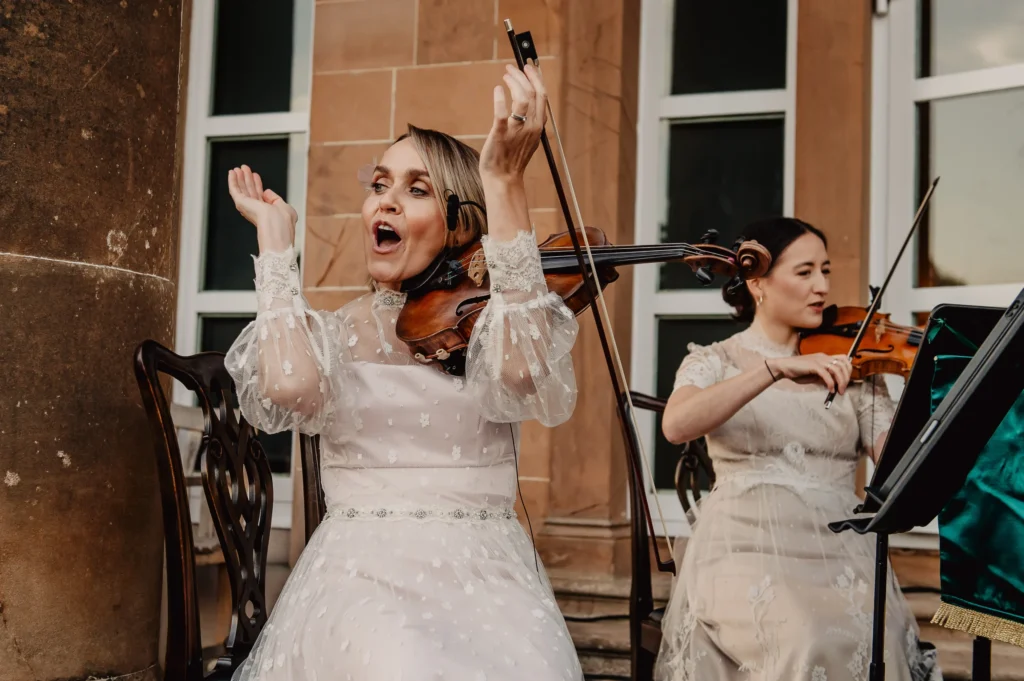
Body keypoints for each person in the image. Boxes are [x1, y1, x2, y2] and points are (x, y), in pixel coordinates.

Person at [223, 64, 584, 681]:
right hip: (360, 572)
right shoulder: (337, 331)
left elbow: (523, 374)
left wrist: (504, 184)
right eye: (380, 184)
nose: (385, 200)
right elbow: (287, 389)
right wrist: (277, 250)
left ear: (460, 223)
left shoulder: (494, 324)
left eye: (418, 190)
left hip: (488, 574)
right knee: (400, 661)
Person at [654, 218, 941, 681]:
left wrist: (924, 386)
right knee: (804, 638)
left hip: (840, 552)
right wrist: (774, 369)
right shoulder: (715, 360)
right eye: (805, 272)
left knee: (879, 641)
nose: (822, 286)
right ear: (757, 282)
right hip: (742, 547)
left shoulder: (852, 365)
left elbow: (901, 469)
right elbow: (675, 425)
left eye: (825, 271)